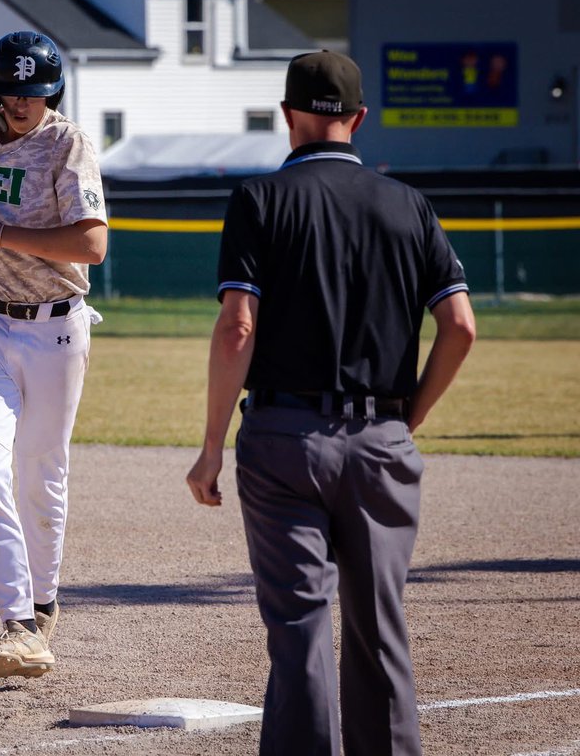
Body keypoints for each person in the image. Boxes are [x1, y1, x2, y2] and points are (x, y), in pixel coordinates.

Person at [185, 50, 476, 754]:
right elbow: (461, 327)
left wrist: (211, 446)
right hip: (381, 437)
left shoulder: (260, 201)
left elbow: (237, 327)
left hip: (284, 438)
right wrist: (408, 420)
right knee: (380, 626)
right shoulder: (409, 204)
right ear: (358, 118)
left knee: (299, 629)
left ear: (289, 116)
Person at [0, 30, 107, 679]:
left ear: (51, 93)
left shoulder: (68, 143)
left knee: (41, 472)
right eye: (11, 90)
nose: (21, 103)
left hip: (54, 328)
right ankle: (17, 622)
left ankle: (42, 604)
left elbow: (92, 246)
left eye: (34, 93)